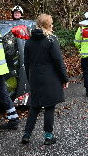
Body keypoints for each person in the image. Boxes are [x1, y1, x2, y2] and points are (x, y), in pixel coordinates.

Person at [21, 14, 69, 145]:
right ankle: (48, 136)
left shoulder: (29, 41)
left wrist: (30, 77)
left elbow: (26, 62)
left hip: (35, 76)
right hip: (50, 77)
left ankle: (26, 134)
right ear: (48, 25)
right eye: (51, 23)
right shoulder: (51, 40)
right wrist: (64, 78)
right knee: (49, 106)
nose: (52, 25)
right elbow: (58, 61)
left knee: (34, 106)